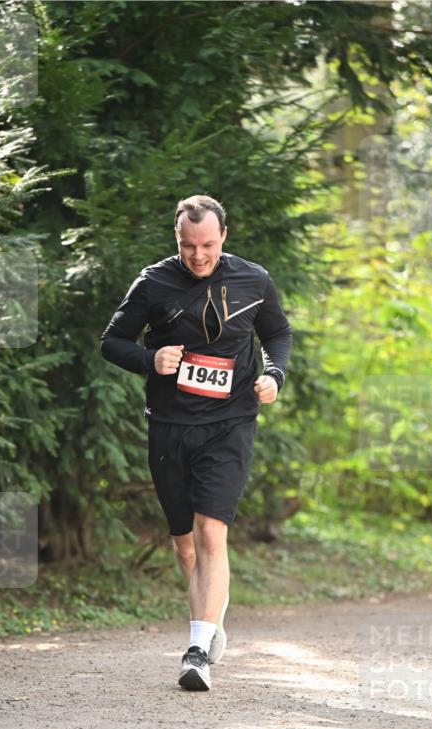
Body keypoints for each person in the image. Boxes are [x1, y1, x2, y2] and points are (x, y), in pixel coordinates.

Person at [100, 194, 293, 692]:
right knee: (185, 546)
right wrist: (150, 359)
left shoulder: (254, 279)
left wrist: (275, 374)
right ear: (177, 239)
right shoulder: (154, 282)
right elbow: (112, 341)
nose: (199, 256)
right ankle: (210, 624)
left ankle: (196, 651)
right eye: (189, 246)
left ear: (224, 237)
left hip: (231, 422)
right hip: (170, 424)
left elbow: (277, 333)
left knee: (212, 533)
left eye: (208, 245)